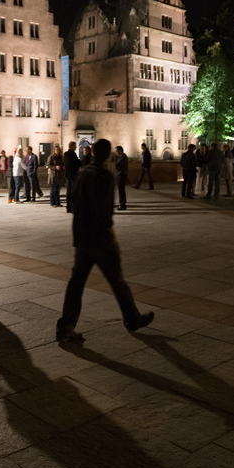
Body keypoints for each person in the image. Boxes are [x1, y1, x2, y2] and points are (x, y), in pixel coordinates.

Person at [56, 138, 154, 343]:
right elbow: (105, 212)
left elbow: (73, 203)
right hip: (101, 240)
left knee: (76, 285)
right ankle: (132, 319)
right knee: (117, 282)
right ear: (107, 155)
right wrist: (111, 237)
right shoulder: (106, 176)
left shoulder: (82, 174)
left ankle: (65, 327)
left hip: (82, 239)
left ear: (92, 153)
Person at [63, 141, 80, 212]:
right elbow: (77, 163)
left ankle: (68, 207)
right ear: (72, 146)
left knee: (68, 191)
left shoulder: (66, 154)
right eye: (75, 146)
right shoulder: (73, 154)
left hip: (68, 174)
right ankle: (72, 206)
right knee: (73, 191)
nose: (76, 147)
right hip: (73, 175)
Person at [114, 145, 128, 210]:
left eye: (116, 151)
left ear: (120, 151)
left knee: (121, 190)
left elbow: (117, 165)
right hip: (120, 174)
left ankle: (122, 205)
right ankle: (122, 204)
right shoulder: (121, 157)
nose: (115, 153)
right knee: (121, 190)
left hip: (121, 175)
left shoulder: (123, 157)